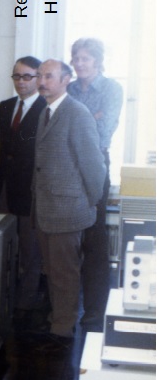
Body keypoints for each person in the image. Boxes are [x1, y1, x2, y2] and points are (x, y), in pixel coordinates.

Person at [33, 59, 106, 344]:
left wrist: (89, 201)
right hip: (46, 207)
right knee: (52, 270)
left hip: (68, 208)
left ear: (66, 80)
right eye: (39, 75)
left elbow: (93, 163)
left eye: (49, 76)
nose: (42, 81)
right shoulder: (47, 111)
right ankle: (58, 320)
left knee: (65, 272)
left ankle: (62, 329)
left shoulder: (77, 112)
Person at [67, 38, 124, 331]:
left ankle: (94, 310)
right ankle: (67, 307)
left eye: (85, 58)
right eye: (75, 58)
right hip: (65, 167)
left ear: (98, 61)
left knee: (95, 240)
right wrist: (90, 116)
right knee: (68, 240)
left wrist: (81, 121)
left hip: (96, 167)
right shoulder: (69, 88)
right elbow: (61, 128)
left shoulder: (112, 89)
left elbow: (103, 132)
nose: (79, 64)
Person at [0, 56, 47, 325]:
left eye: (27, 77)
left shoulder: (47, 108)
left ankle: (25, 305)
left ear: (38, 79)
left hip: (30, 190)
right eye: (17, 76)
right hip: (3, 186)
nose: (21, 82)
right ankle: (2, 300)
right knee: (1, 246)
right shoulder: (4, 107)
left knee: (29, 250)